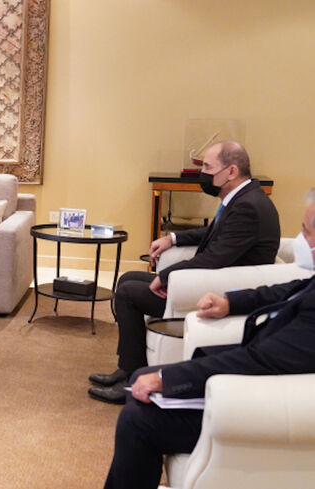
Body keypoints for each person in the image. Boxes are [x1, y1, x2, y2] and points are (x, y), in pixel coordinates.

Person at [102, 190, 315, 489]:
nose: (300, 240)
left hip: (261, 398)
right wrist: (231, 302)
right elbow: (287, 291)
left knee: (137, 419)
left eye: (306, 232)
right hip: (264, 373)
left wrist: (169, 377)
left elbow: (261, 360)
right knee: (140, 378)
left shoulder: (250, 205)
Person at [89, 141, 280, 404]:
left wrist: (166, 275)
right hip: (210, 279)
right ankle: (127, 367)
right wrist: (173, 238)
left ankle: (132, 377)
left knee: (128, 293)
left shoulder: (248, 207)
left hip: (216, 292)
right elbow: (213, 233)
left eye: (209, 167)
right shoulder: (244, 198)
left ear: (232, 171)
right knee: (127, 278)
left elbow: (214, 258)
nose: (204, 174)